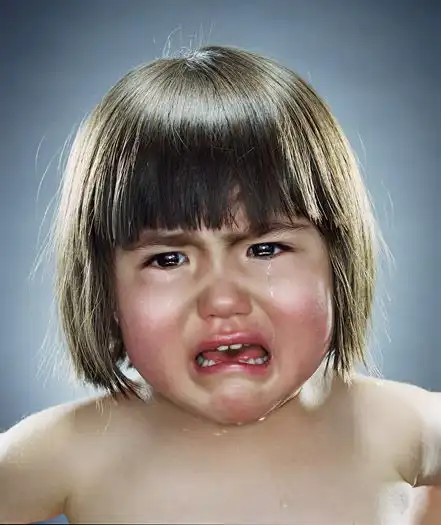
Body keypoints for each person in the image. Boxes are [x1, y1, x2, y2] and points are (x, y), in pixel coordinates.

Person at [0, 44, 439, 524]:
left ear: (338, 262)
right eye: (168, 259)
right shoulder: (72, 452)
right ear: (104, 292)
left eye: (265, 250)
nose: (223, 300)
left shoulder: (396, 426)